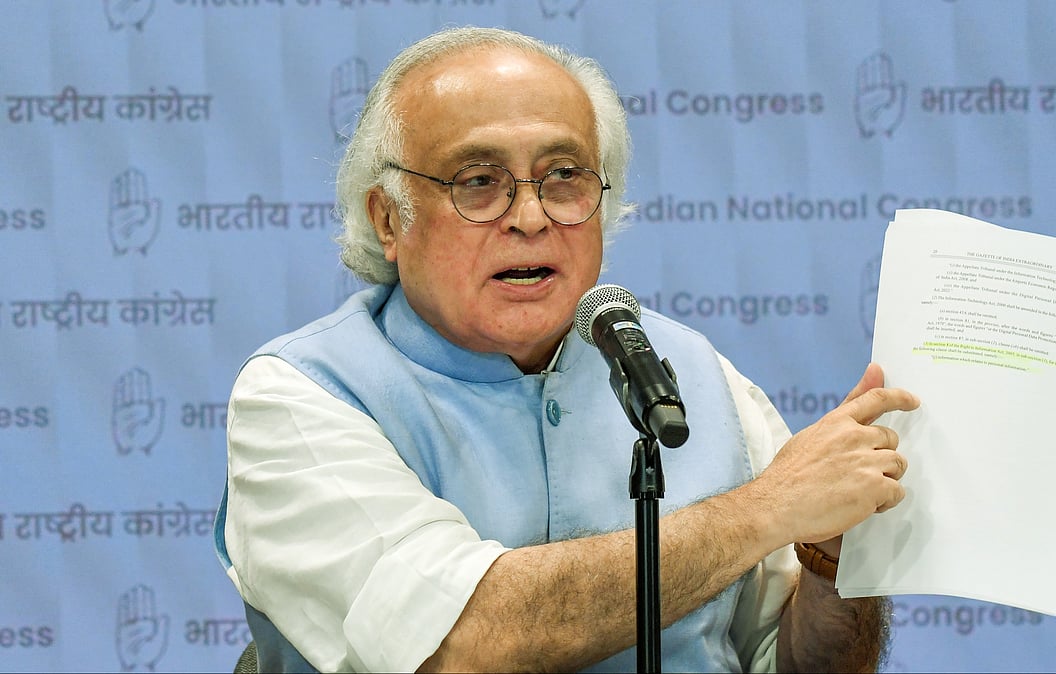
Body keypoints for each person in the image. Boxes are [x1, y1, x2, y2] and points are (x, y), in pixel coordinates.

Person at [213, 25, 919, 673]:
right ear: (388, 220)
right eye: (478, 182)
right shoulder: (300, 397)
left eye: (564, 177)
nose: (530, 217)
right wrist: (767, 510)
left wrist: (832, 563)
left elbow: (792, 663)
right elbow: (462, 641)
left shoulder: (693, 374)